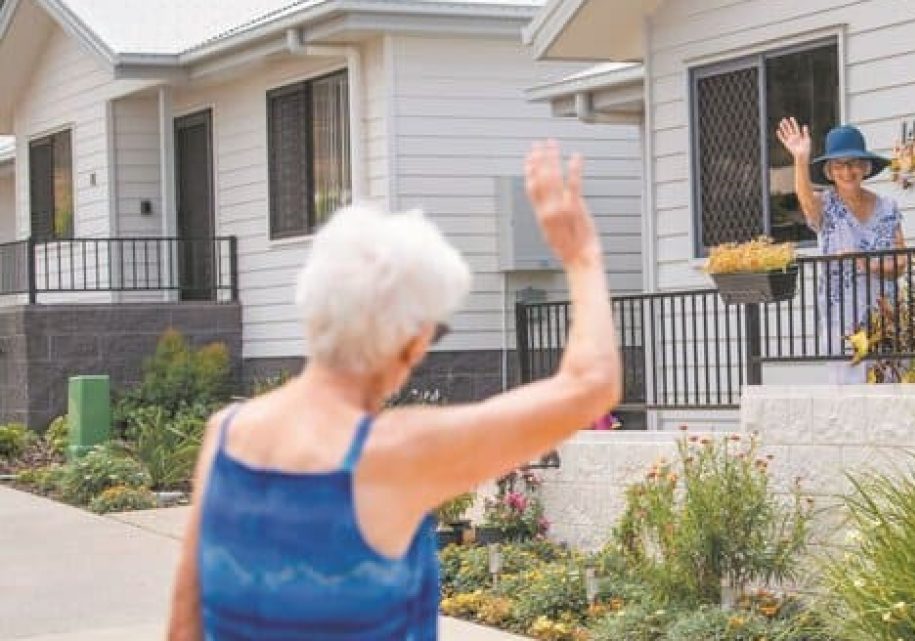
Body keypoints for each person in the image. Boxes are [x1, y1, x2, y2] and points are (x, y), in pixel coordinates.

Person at [165, 141, 621, 640]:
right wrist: (583, 258)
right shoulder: (394, 453)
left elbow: (184, 623)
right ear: (412, 342)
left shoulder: (225, 435)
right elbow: (591, 385)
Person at [776, 117, 906, 384]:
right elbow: (806, 201)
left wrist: (865, 263)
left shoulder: (888, 207)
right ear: (829, 171)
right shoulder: (825, 206)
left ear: (866, 167)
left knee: (892, 388)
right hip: (842, 320)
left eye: (855, 163)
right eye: (839, 165)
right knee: (849, 392)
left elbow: (901, 263)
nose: (848, 171)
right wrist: (800, 158)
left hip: (886, 314)